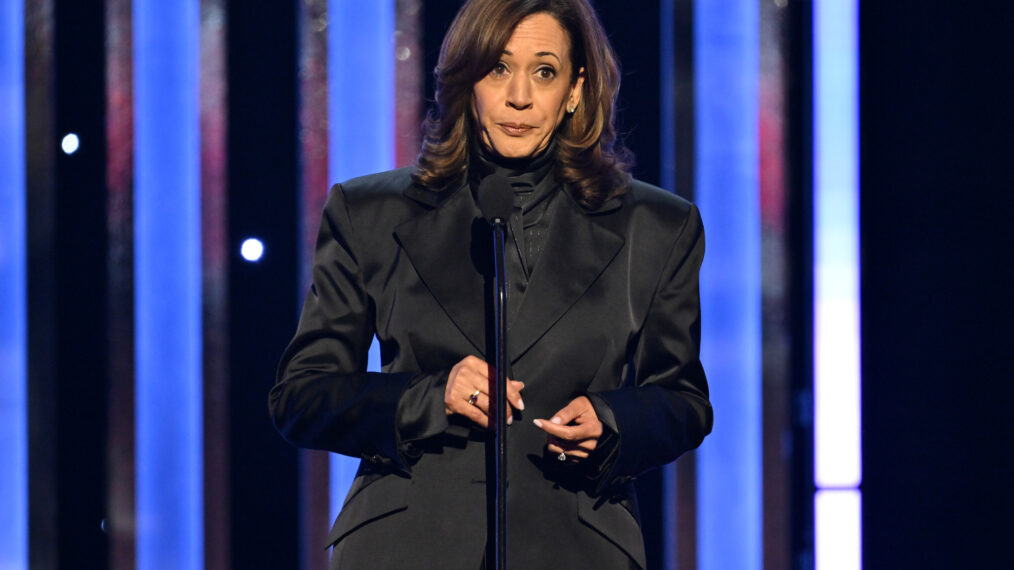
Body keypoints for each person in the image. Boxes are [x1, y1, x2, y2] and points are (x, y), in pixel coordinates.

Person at [269, 0, 713, 568]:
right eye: (498, 68)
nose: (520, 97)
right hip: (405, 548)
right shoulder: (369, 213)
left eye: (544, 72)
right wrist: (427, 397)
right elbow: (300, 396)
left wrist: (611, 421)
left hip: (574, 547)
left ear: (576, 89)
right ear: (466, 79)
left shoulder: (657, 226)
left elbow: (683, 401)